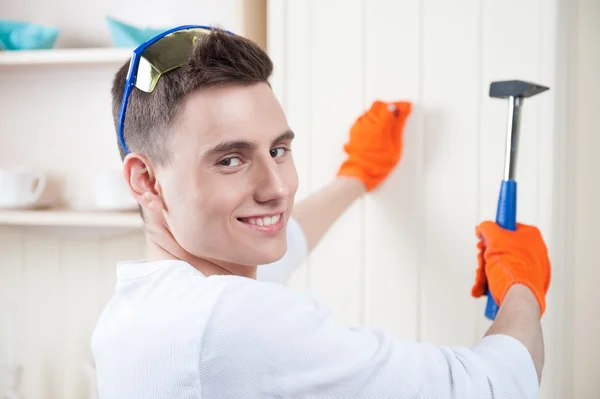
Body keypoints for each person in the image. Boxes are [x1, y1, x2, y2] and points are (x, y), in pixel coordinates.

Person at [91, 25, 551, 399]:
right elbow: (488, 387)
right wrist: (522, 284)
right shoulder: (228, 325)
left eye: (278, 150)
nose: (278, 188)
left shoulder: (135, 315)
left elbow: (285, 243)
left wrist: (356, 177)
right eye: (231, 160)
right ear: (146, 181)